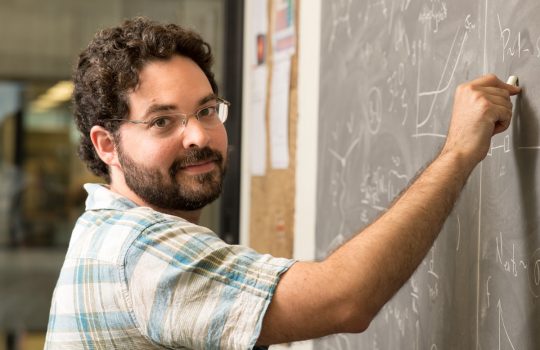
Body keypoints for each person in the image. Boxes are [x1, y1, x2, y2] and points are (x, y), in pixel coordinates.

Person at [45, 17, 521, 349]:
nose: (198, 136)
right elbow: (345, 300)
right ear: (107, 145)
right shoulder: (140, 249)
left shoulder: (106, 234)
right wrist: (458, 152)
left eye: (207, 111)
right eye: (163, 122)